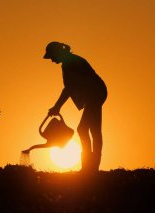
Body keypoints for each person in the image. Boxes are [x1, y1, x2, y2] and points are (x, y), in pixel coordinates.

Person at [43, 41, 107, 173]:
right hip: (95, 93)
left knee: (86, 129)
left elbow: (68, 88)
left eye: (52, 56)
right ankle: (90, 166)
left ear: (57, 53)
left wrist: (57, 107)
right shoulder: (68, 62)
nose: (52, 60)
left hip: (95, 93)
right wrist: (56, 107)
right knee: (90, 130)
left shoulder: (70, 63)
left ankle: (91, 167)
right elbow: (70, 87)